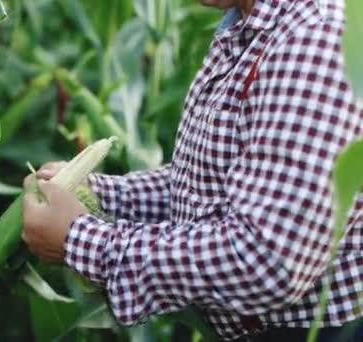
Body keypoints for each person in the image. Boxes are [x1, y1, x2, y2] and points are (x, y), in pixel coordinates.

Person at [21, 0, 363, 341]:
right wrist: (97, 194)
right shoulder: (247, 26)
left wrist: (81, 240)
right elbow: (208, 187)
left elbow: (266, 262)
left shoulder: (315, 39)